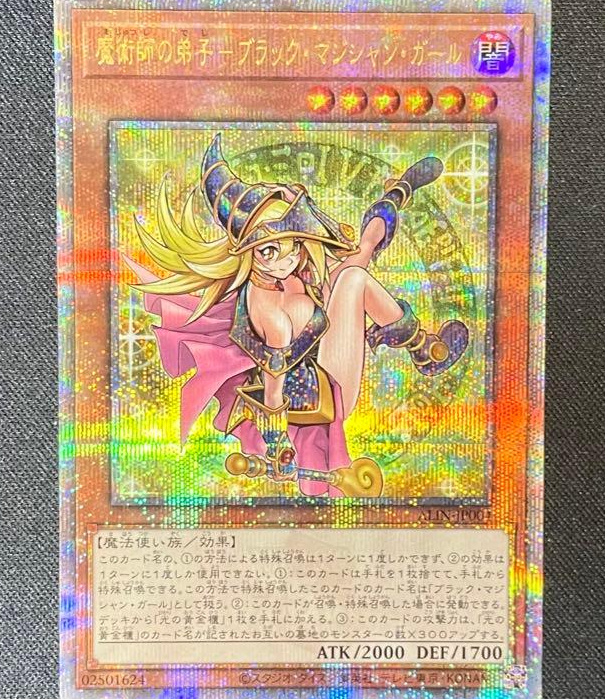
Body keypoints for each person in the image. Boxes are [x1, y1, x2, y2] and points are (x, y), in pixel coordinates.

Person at [123, 134, 468, 496]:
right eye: (269, 251)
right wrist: (277, 446)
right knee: (354, 278)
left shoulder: (286, 275)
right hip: (327, 389)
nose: (286, 258)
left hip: (324, 348)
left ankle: (397, 191)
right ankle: (424, 349)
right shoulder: (270, 314)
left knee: (361, 252)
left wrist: (299, 206)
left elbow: (326, 245)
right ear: (248, 253)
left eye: (293, 244)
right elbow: (273, 391)